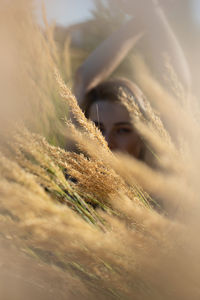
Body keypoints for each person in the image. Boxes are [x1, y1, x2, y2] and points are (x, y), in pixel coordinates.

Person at [73, 0, 191, 161]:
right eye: (97, 128)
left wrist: (152, 13)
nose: (107, 142)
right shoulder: (76, 171)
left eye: (123, 130)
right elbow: (83, 79)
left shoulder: (158, 175)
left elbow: (176, 86)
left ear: (144, 136)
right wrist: (148, 14)